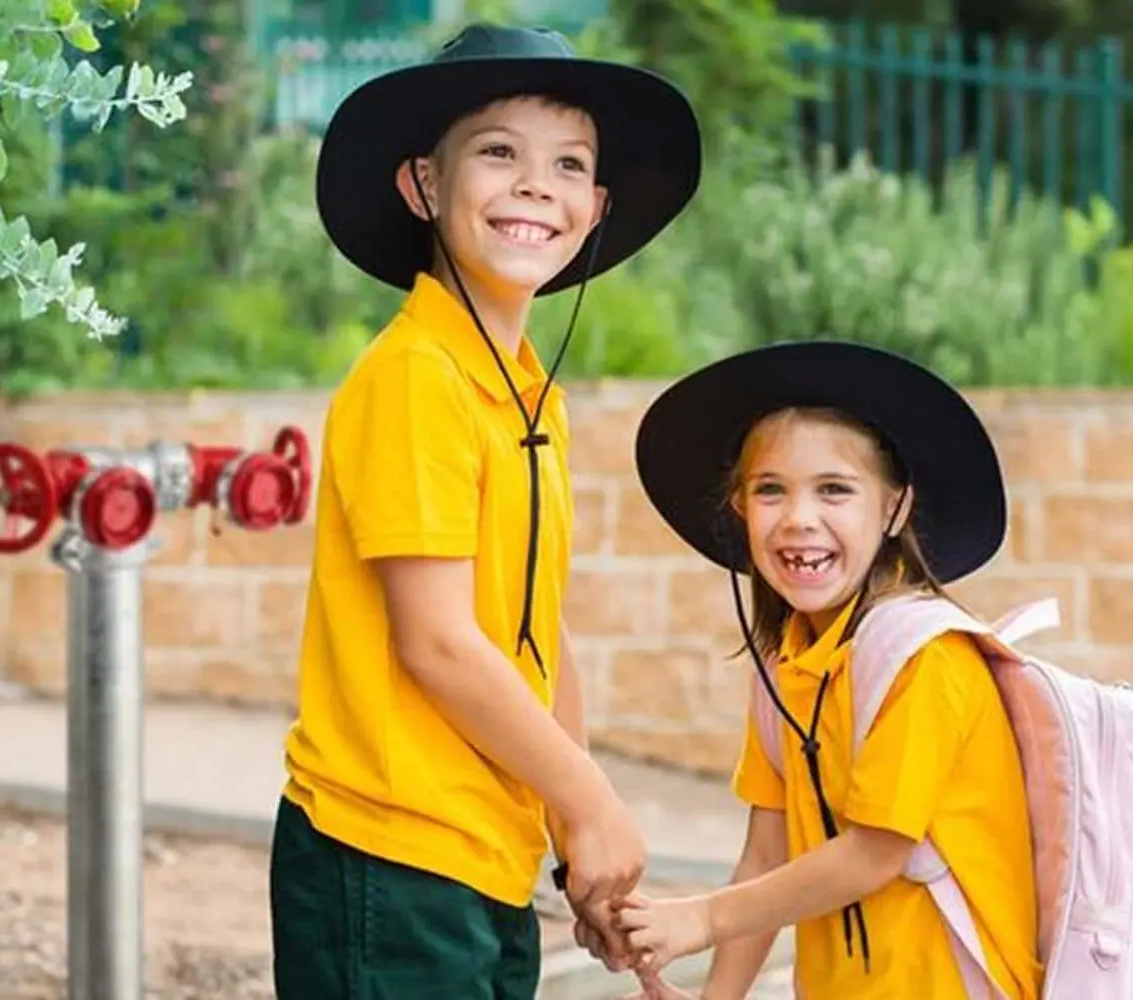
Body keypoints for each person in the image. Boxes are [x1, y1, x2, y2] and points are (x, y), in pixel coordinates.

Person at [269, 22, 703, 1000]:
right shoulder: (415, 376)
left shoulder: (523, 393)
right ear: (423, 184)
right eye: (497, 152)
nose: (533, 184)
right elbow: (436, 642)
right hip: (387, 850)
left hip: (483, 854)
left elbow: (536, 632)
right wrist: (590, 798)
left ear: (594, 210)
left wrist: (570, 831)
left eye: (567, 165)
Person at [606, 341, 1044, 999]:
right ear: (739, 508)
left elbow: (875, 852)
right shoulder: (786, 669)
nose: (799, 520)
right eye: (770, 491)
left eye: (834, 490)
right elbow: (764, 855)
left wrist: (700, 918)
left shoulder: (928, 659)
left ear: (894, 509)